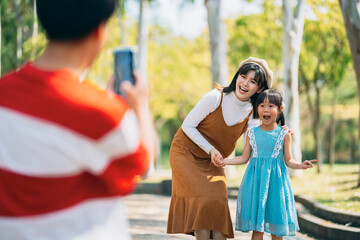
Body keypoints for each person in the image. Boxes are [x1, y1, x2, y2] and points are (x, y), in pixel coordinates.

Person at [0, 0, 156, 239]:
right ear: (99, 31)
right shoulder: (100, 113)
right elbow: (143, 161)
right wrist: (140, 106)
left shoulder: (5, 93)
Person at [167, 57, 275, 240]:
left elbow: (255, 144)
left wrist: (279, 131)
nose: (245, 83)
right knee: (204, 199)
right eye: (243, 77)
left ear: (260, 89)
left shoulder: (252, 114)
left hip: (214, 161)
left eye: (253, 81)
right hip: (186, 153)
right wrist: (211, 149)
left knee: (218, 201)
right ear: (237, 77)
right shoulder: (215, 97)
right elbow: (187, 126)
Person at [221, 89, 317, 240]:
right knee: (257, 231)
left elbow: (288, 160)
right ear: (256, 108)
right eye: (262, 105)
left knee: (276, 229)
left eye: (271, 106)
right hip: (255, 184)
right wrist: (224, 161)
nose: (266, 109)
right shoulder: (251, 132)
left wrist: (300, 165)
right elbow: (244, 157)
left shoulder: (284, 134)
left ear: (280, 109)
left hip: (276, 185)